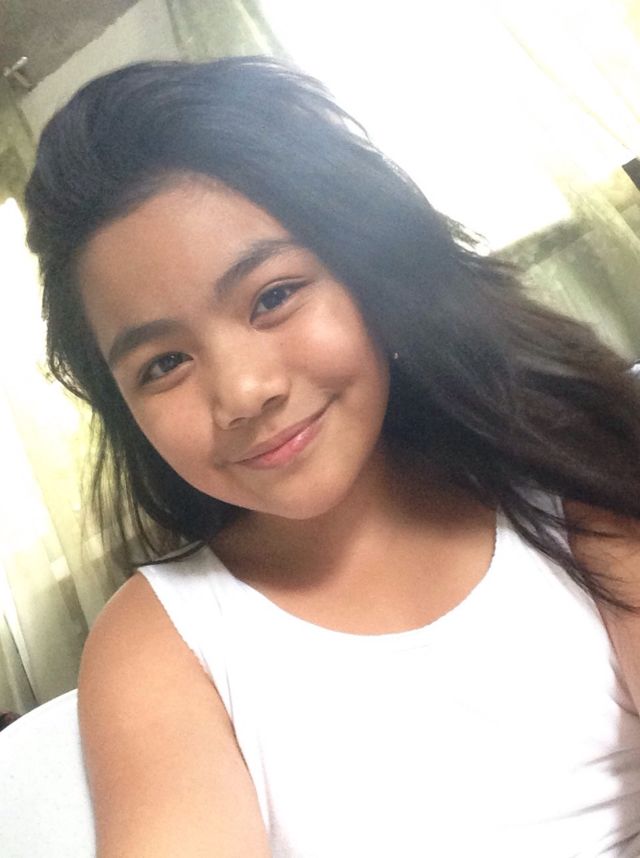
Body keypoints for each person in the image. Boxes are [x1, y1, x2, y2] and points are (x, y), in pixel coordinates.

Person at [23, 56, 640, 857]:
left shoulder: (560, 487)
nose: (243, 391)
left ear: (369, 274)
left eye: (273, 296)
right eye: (164, 363)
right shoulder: (166, 639)